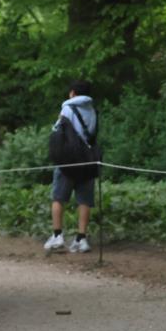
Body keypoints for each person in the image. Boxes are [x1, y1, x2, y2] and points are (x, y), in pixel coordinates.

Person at [44, 80, 97, 253]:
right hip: (88, 160)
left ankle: (57, 236)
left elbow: (57, 131)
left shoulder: (68, 108)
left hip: (68, 161)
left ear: (73, 93)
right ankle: (81, 239)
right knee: (85, 200)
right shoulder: (93, 110)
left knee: (59, 198)